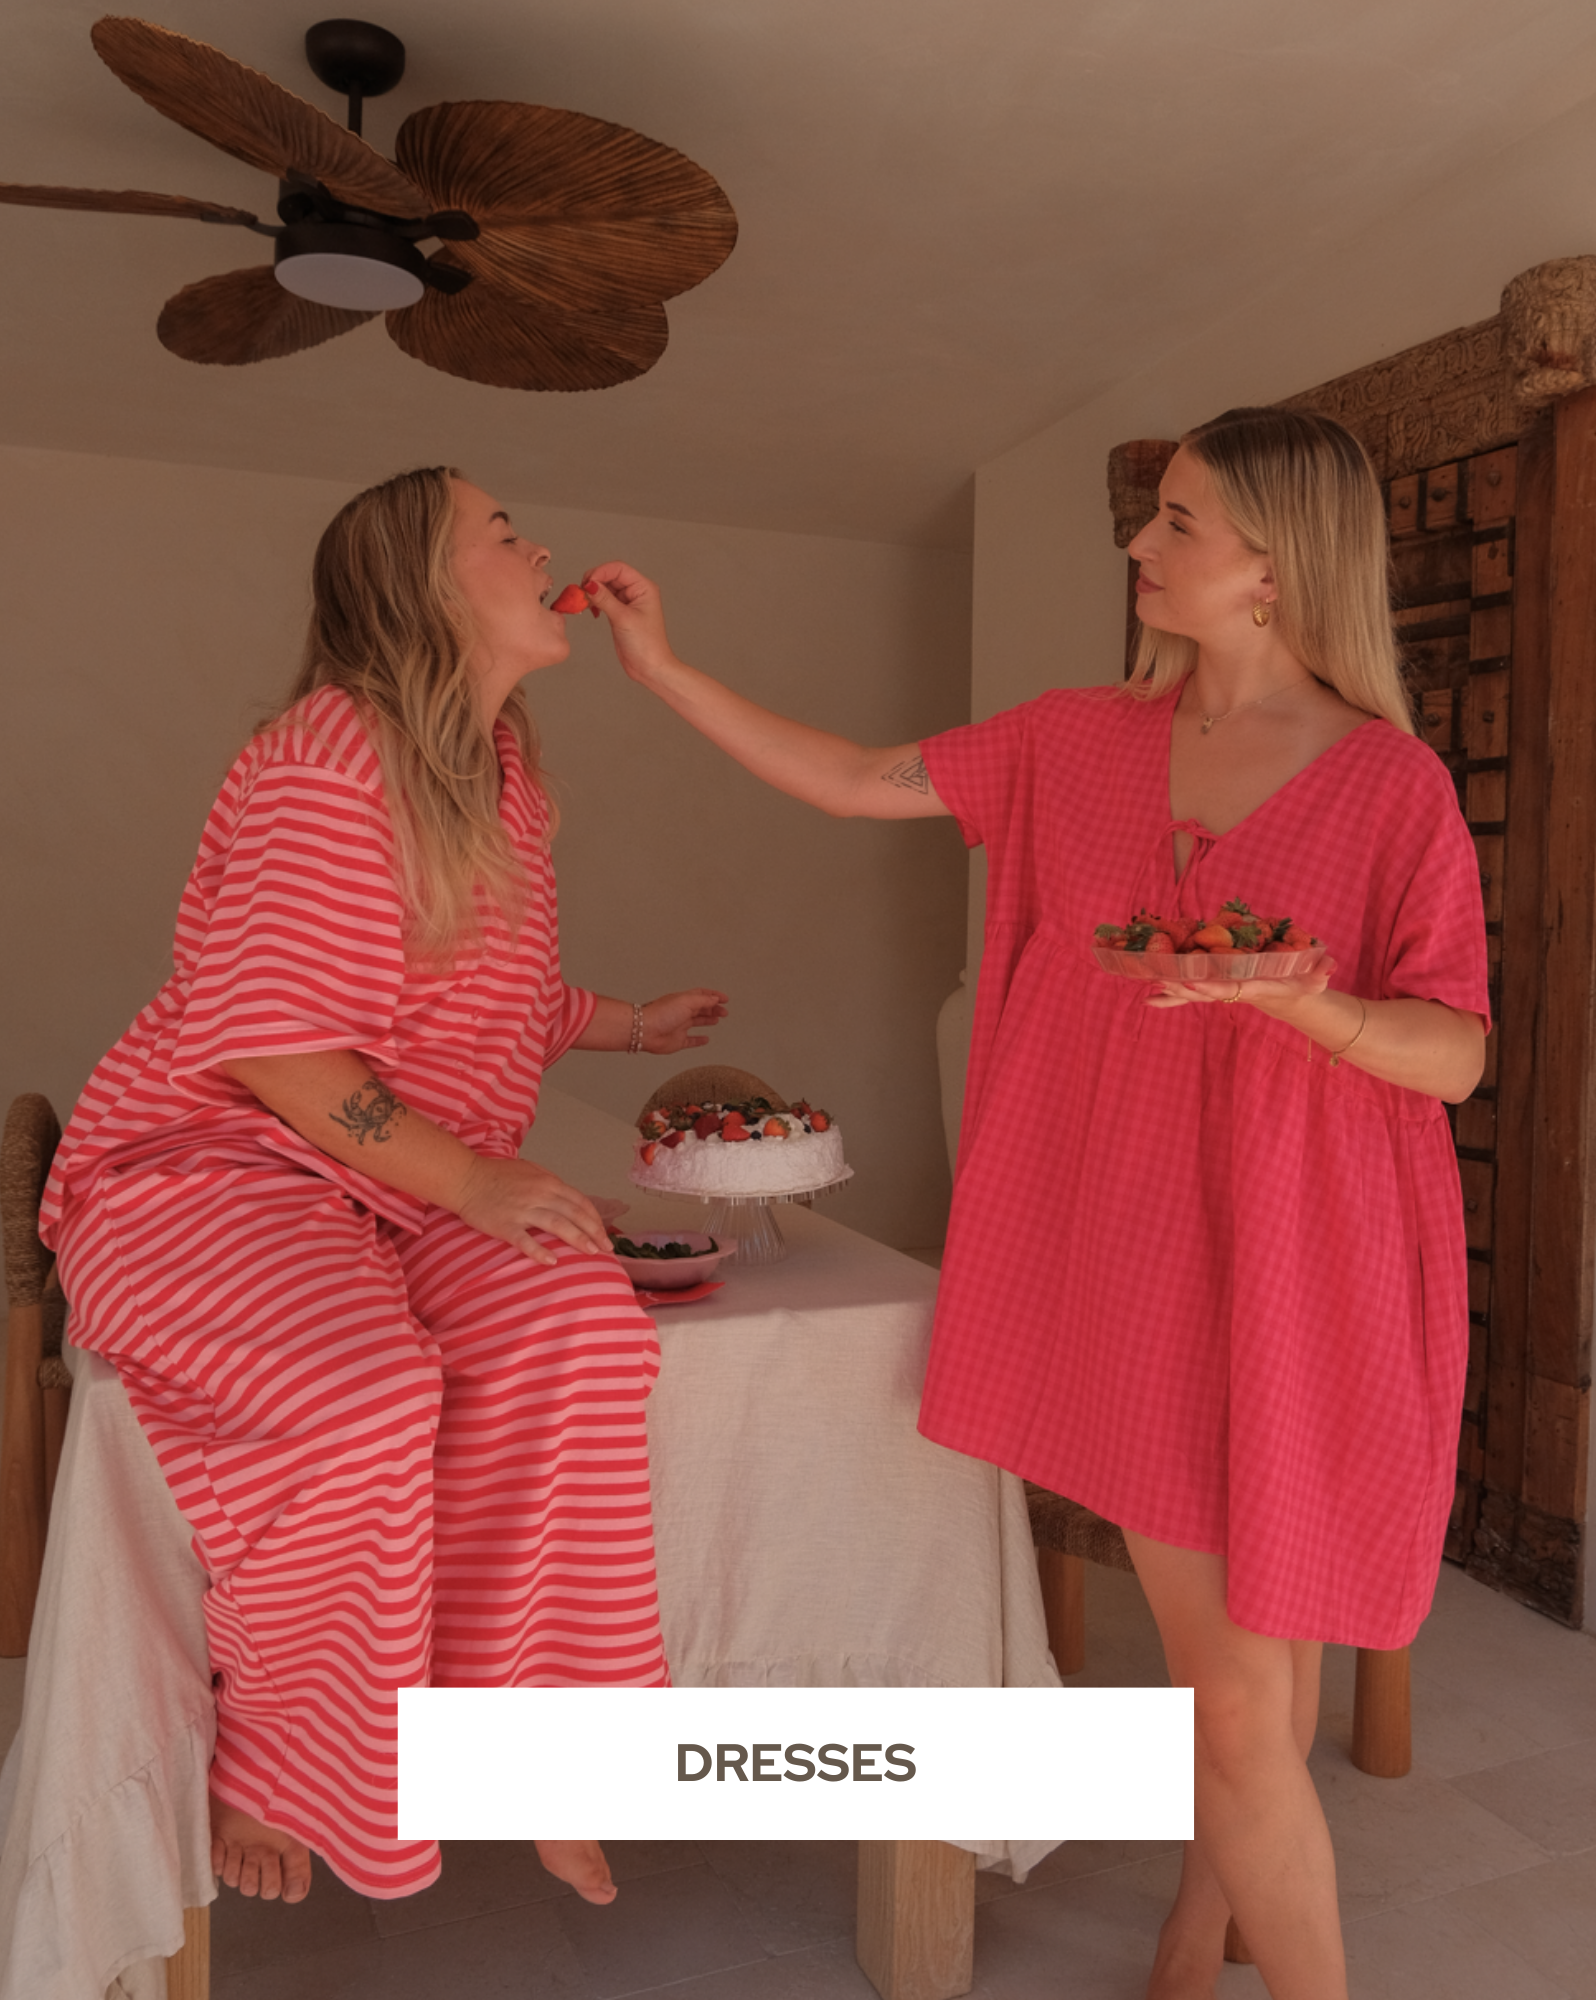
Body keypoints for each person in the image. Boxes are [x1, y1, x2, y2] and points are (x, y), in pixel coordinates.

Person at [578, 407, 1487, 2000]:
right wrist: (664, 673)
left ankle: (1198, 1933)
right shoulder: (1076, 741)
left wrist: (1307, 1005)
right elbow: (854, 778)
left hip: (1307, 1263)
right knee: (1238, 1683)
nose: (1139, 543)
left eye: (1180, 521)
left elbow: (1456, 1051)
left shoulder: (1389, 787)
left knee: (1253, 1660)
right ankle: (1205, 1934)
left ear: (1275, 566)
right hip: (1137, 1262)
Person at [42, 467, 728, 1908]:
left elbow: (477, 996)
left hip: (391, 1187)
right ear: (423, 586)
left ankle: (526, 1748)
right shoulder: (327, 752)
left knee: (579, 1329)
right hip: (215, 1171)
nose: (538, 544)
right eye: (502, 533)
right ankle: (276, 1762)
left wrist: (630, 1025)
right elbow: (278, 1044)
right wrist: (473, 1176)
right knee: (364, 1398)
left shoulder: (503, 772)